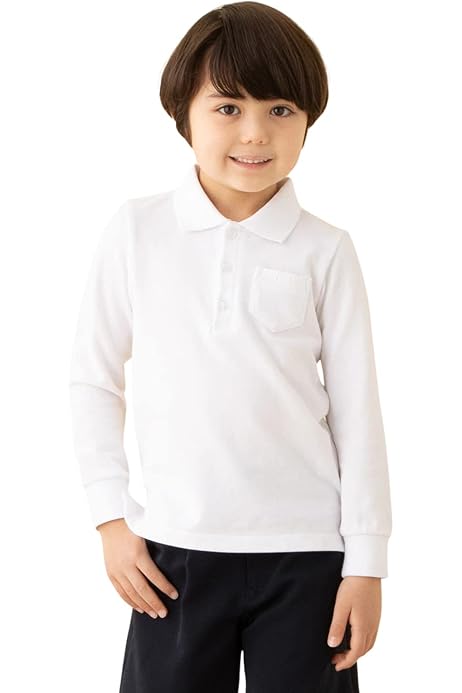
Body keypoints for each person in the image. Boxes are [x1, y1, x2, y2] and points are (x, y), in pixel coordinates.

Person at [68, 2, 392, 691]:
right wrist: (110, 519)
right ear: (182, 113)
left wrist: (366, 562)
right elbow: (93, 378)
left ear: (308, 119)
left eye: (280, 109)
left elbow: (358, 410)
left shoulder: (326, 250)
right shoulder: (137, 231)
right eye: (227, 107)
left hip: (306, 555)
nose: (254, 132)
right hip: (172, 553)